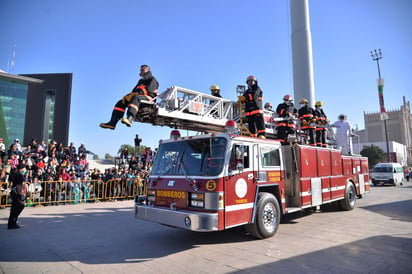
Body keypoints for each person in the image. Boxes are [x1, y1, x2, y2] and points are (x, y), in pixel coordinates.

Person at [100, 65, 159, 129]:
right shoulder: (140, 81)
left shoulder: (152, 79)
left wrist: (134, 94)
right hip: (138, 97)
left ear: (148, 71)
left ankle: (130, 119)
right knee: (121, 102)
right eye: (140, 70)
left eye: (143, 70)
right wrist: (127, 96)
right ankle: (112, 123)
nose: (141, 72)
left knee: (135, 97)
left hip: (149, 99)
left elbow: (147, 90)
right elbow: (134, 91)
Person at [8, 163, 26, 229]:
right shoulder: (19, 175)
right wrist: (21, 194)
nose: (25, 170)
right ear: (22, 169)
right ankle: (12, 222)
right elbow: (19, 186)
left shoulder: (15, 174)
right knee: (20, 206)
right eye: (24, 168)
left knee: (14, 208)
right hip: (16, 192)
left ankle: (12, 222)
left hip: (13, 191)